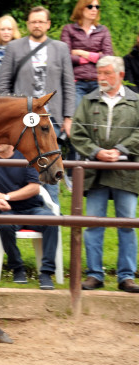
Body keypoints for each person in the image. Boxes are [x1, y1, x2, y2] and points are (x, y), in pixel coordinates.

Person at [70, 56, 139, 293]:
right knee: (93, 224)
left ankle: (126, 276)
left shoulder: (135, 101)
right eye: (99, 73)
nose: (101, 78)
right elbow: (77, 132)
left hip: (126, 172)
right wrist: (96, 152)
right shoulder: (88, 101)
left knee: (128, 224)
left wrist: (120, 150)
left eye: (107, 73)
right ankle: (94, 275)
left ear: (120, 75)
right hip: (95, 173)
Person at [0, 6, 76, 205]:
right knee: (22, 169)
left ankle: (53, 215)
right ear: (27, 24)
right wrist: (6, 117)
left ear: (48, 24)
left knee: (50, 167)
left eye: (41, 21)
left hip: (51, 121)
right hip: (21, 120)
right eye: (33, 22)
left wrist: (68, 117)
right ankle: (19, 210)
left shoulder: (60, 48)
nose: (37, 25)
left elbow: (68, 85)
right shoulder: (14, 48)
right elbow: (4, 83)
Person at [0, 144, 59, 290]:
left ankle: (46, 272)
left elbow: (34, 187)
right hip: (8, 212)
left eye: (2, 139)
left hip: (33, 208)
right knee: (5, 225)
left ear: (11, 142)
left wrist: (6, 197)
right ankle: (17, 268)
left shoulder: (27, 156)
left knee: (51, 221)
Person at [61, 0, 113, 105]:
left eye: (97, 7)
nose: (94, 9)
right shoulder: (69, 29)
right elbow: (65, 57)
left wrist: (82, 53)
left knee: (98, 119)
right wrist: (96, 56)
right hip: (76, 83)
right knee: (77, 119)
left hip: (99, 82)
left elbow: (109, 57)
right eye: (90, 6)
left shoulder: (103, 30)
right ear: (81, 8)